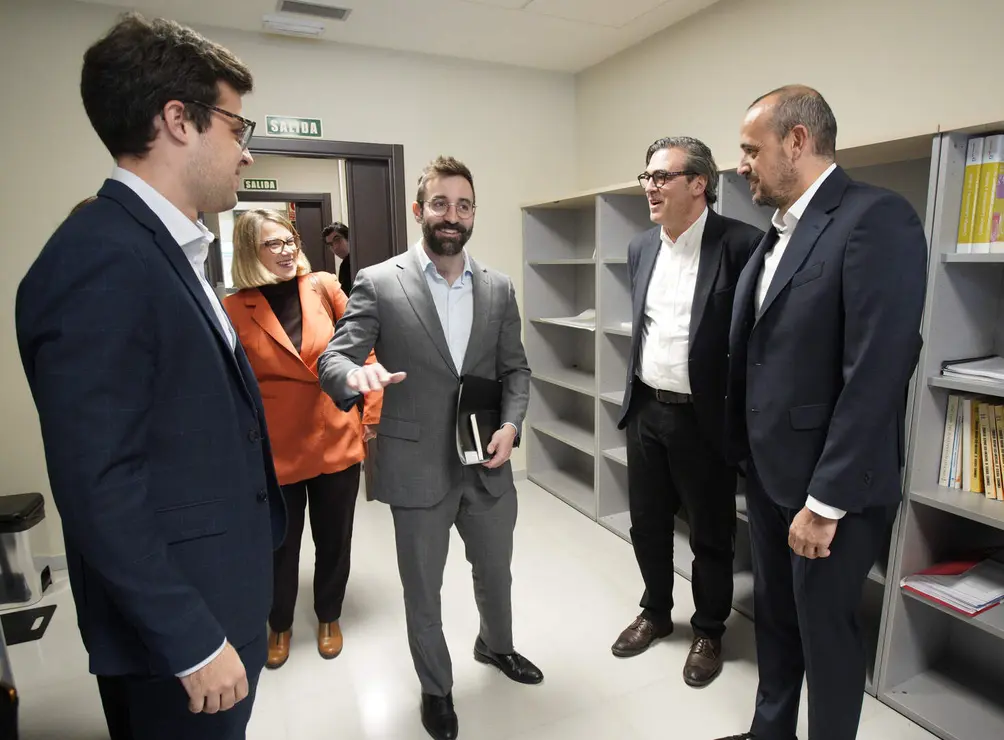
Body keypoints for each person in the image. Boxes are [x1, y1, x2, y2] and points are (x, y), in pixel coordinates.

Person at [15, 14, 285, 740]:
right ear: (178, 120)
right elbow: (97, 481)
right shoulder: (100, 259)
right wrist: (191, 639)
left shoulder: (171, 252)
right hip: (177, 639)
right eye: (237, 127)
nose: (247, 151)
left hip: (214, 596)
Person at [716, 85, 927, 740]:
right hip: (773, 476)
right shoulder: (776, 234)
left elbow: (878, 371)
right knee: (776, 622)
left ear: (798, 141)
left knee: (826, 637)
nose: (743, 164)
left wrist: (825, 502)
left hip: (830, 493)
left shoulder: (875, 219)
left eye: (752, 150)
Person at [318, 156, 543, 740]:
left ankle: (497, 646)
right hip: (415, 465)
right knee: (424, 587)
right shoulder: (379, 280)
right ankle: (436, 689)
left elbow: (516, 371)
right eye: (440, 204)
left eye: (463, 205)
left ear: (473, 214)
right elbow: (334, 359)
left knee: (496, 573)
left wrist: (512, 426)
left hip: (486, 462)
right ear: (419, 211)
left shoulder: (498, 288)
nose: (452, 215)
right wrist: (354, 378)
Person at [612, 137, 763, 687]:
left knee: (710, 534)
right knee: (647, 525)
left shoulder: (742, 245)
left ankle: (709, 629)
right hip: (648, 409)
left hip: (706, 421)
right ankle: (655, 611)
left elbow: (753, 341)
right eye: (646, 177)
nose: (649, 187)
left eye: (661, 177)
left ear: (699, 183)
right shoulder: (640, 248)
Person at [223, 209, 382, 669]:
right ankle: (279, 624)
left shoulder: (324, 287)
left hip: (334, 432)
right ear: (250, 252)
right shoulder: (235, 308)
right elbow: (232, 383)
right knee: (279, 545)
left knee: (335, 538)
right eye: (273, 244)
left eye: (290, 240)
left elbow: (361, 349)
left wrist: (370, 413)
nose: (287, 250)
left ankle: (329, 615)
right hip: (275, 447)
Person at [323, 221, 352, 292]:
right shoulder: (344, 265)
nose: (335, 247)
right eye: (330, 244)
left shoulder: (355, 261)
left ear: (348, 238)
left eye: (337, 240)